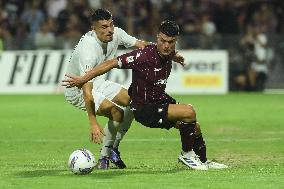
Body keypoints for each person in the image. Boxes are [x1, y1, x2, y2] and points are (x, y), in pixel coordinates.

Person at [63, 20, 228, 170]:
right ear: (157, 38)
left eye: (170, 42)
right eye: (162, 41)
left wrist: (175, 56)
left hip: (159, 100)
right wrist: (85, 77)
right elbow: (111, 63)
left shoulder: (168, 51)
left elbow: (168, 51)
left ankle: (204, 160)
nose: (166, 46)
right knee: (189, 111)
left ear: (175, 40)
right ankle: (186, 155)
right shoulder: (143, 56)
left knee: (193, 126)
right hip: (146, 109)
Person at [64, 9, 150, 169]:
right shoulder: (88, 50)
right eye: (103, 27)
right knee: (116, 112)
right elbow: (86, 90)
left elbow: (143, 45)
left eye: (110, 25)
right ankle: (104, 157)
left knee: (133, 101)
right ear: (93, 29)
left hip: (97, 81)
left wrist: (169, 53)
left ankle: (113, 148)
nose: (109, 30)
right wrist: (93, 123)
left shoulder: (116, 33)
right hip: (77, 89)